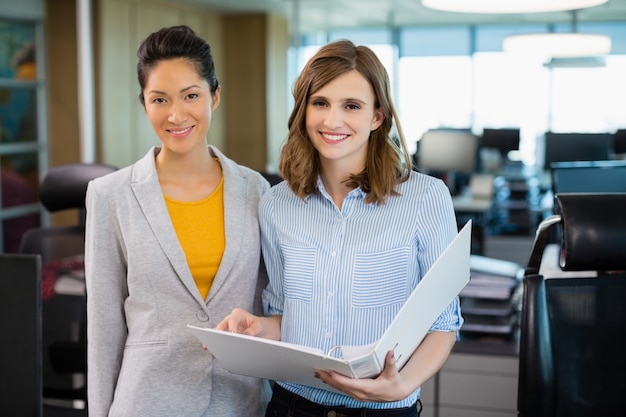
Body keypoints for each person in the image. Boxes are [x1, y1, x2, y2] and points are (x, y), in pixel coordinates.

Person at [218, 39, 463, 417]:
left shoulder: (426, 199)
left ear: (377, 116)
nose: (332, 121)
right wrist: (254, 329)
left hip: (384, 411)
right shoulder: (277, 204)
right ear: (303, 110)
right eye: (320, 103)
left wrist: (404, 383)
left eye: (351, 106)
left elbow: (444, 323)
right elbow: (288, 317)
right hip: (292, 407)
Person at [84, 25, 270, 417]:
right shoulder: (109, 195)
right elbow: (103, 328)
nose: (176, 114)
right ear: (144, 104)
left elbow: (269, 303)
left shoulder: (255, 190)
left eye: (191, 96)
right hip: (146, 401)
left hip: (240, 402)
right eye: (159, 99)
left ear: (214, 96)